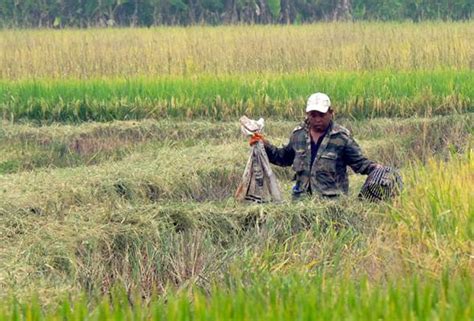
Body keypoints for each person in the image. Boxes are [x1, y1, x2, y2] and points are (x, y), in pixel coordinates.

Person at [250, 92, 381, 199]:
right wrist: (263, 144)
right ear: (307, 114)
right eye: (313, 115)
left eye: (322, 115)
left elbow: (360, 163)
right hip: (301, 204)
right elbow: (282, 158)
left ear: (331, 113)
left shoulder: (341, 138)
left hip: (332, 206)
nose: (318, 119)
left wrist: (377, 169)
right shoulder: (298, 135)